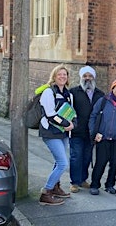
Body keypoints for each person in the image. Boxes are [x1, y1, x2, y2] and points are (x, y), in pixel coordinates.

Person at [38, 64, 76, 205]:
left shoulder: (69, 94)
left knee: (58, 161)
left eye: (64, 75)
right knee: (62, 163)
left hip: (63, 133)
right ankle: (46, 192)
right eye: (59, 74)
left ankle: (55, 187)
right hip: (50, 132)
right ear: (54, 76)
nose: (62, 77)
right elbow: (50, 115)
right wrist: (66, 125)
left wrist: (73, 124)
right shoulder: (48, 92)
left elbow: (72, 113)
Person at [89, 79, 116, 195]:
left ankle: (110, 185)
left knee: (114, 164)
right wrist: (94, 132)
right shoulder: (103, 101)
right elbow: (93, 116)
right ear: (112, 88)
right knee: (100, 163)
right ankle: (94, 185)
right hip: (102, 138)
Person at [69, 66, 105, 193]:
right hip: (77, 131)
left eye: (90, 76)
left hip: (91, 133)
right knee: (76, 156)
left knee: (87, 158)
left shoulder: (100, 95)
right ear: (81, 77)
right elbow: (68, 111)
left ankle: (83, 179)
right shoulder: (73, 92)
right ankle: (74, 182)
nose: (87, 78)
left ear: (94, 78)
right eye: (85, 76)